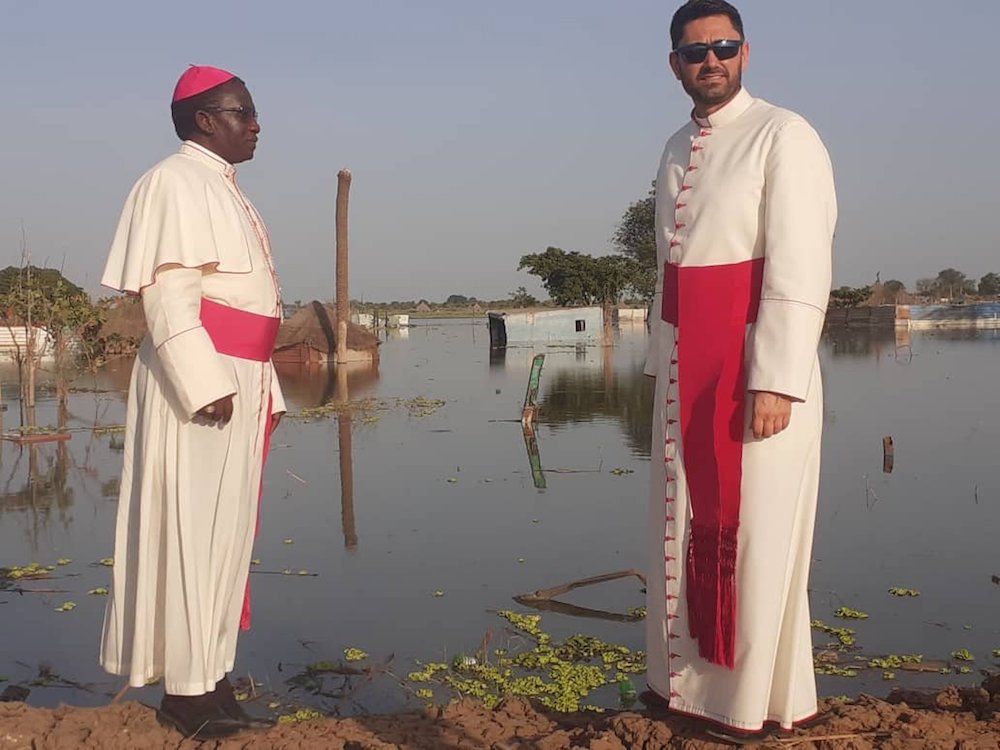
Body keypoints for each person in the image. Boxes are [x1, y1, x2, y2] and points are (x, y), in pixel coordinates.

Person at [643, 0, 837, 740]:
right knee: (680, 527)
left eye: (723, 46)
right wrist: (663, 372)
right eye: (695, 52)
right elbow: (669, 276)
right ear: (676, 65)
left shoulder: (784, 135)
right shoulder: (671, 148)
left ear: (746, 53)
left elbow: (800, 262)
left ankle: (742, 703)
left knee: (754, 540)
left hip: (753, 364)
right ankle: (681, 688)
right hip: (688, 370)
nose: (711, 60)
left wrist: (777, 377)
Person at [99, 65, 285, 739]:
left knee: (226, 540)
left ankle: (213, 680)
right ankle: (185, 695)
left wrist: (265, 384)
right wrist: (204, 383)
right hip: (202, 385)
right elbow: (171, 298)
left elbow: (251, 307)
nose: (256, 123)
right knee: (191, 534)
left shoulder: (222, 187)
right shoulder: (173, 183)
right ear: (204, 120)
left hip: (241, 375)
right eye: (243, 112)